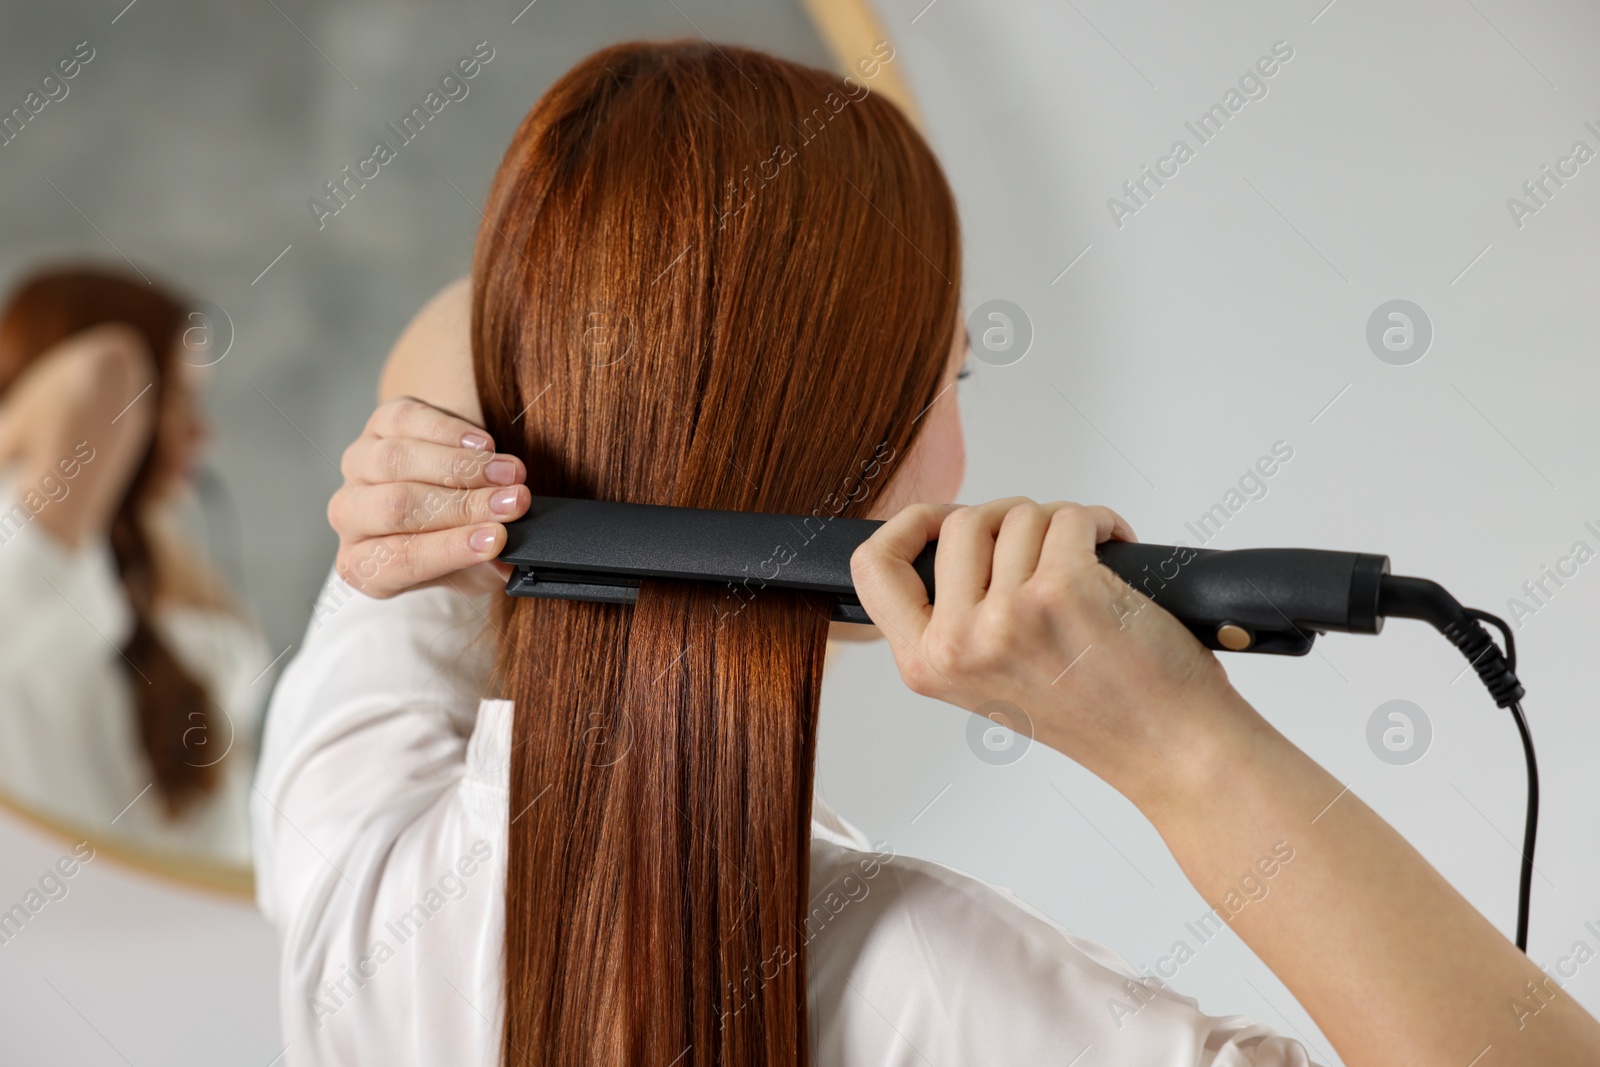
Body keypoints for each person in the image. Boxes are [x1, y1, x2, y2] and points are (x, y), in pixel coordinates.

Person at [252, 41, 1600, 1067]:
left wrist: (435, 450)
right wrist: (1184, 747)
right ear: (836, 444)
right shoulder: (918, 980)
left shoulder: (352, 844)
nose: (964, 452)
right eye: (940, 378)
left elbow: (475, 324)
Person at [0, 265, 269, 868]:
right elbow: (109, 367)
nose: (203, 432)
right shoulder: (21, 533)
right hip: (91, 940)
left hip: (200, 933)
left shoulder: (150, 545)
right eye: (177, 398)